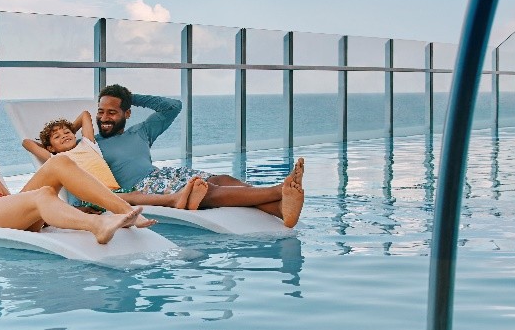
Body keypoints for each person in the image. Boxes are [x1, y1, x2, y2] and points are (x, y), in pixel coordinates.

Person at [26, 84, 305, 228]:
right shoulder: (87, 146)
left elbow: (173, 106)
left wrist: (129, 96)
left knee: (222, 178)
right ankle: (278, 191)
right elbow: (74, 177)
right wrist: (68, 134)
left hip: (163, 175)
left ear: (127, 113)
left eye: (112, 112)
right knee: (207, 191)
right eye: (101, 112)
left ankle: (280, 209)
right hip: (142, 189)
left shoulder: (141, 131)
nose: (104, 118)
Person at [0, 112, 154, 244]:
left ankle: (126, 211)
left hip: (5, 213)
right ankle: (97, 226)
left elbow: (8, 199)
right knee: (43, 193)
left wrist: (59, 211)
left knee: (59, 162)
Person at [22, 111, 209, 210]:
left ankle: (181, 198)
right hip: (88, 198)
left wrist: (68, 130)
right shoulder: (56, 158)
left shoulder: (88, 144)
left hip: (111, 190)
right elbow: (27, 143)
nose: (64, 135)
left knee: (138, 194)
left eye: (67, 132)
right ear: (50, 148)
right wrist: (51, 144)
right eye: (57, 137)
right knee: (134, 197)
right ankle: (173, 200)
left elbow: (85, 115)